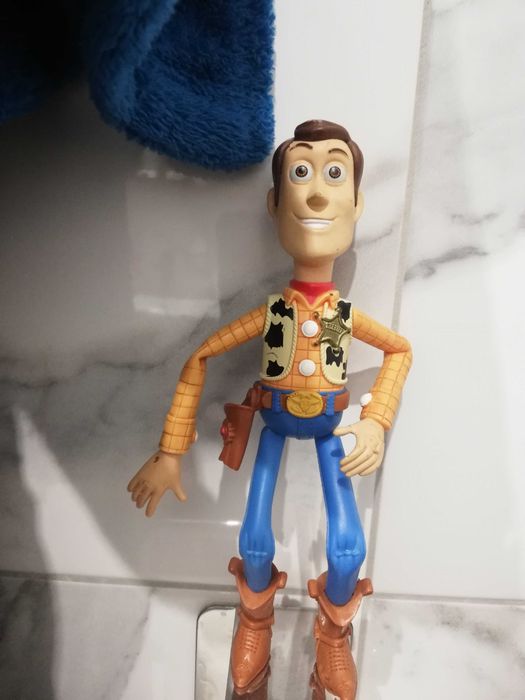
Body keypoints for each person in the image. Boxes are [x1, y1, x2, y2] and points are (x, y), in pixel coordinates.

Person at [127, 119, 412, 699]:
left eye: (334, 175)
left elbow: (400, 350)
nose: (316, 194)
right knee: (255, 541)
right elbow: (202, 355)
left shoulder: (344, 317)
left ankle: (333, 638)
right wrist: (171, 449)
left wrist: (375, 421)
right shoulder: (271, 313)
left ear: (356, 205)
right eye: (301, 173)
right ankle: (255, 623)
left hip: (331, 428)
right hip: (273, 424)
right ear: (275, 204)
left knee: (349, 548)